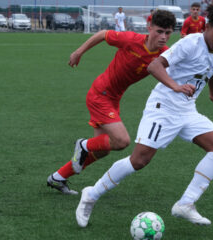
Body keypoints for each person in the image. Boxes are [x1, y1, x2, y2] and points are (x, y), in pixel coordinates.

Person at [76, 1, 213, 228]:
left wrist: (212, 92)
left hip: (187, 110)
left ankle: (186, 204)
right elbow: (155, 66)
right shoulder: (190, 43)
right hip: (163, 108)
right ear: (207, 27)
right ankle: (91, 194)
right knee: (139, 160)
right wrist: (175, 86)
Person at [46, 10, 176, 195]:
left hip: (114, 98)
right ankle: (83, 145)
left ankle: (58, 177)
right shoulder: (131, 40)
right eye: (159, 31)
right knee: (121, 141)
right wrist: (79, 51)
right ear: (149, 28)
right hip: (101, 94)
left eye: (168, 33)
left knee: (102, 150)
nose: (163, 37)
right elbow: (102, 34)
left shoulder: (164, 54)